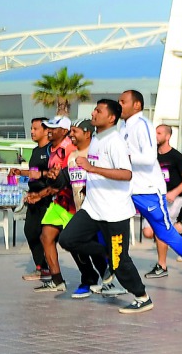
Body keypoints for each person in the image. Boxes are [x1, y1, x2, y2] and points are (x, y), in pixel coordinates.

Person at [59, 100, 154, 313]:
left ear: (111, 118)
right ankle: (109, 255)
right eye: (94, 109)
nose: (93, 113)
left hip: (114, 212)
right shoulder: (97, 140)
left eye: (98, 111)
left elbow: (126, 174)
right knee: (67, 239)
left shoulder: (115, 141)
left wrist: (92, 168)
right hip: (92, 208)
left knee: (120, 263)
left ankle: (142, 297)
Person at [117, 90, 182, 294]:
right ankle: (110, 276)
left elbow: (149, 159)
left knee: (163, 233)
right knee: (109, 222)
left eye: (123, 102)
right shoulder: (122, 127)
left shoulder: (143, 126)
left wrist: (125, 158)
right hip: (129, 190)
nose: (119, 105)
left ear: (137, 105)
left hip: (149, 191)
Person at [61, 120, 116, 298]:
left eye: (74, 131)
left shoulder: (96, 154)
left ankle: (106, 282)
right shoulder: (71, 157)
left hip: (98, 212)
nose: (71, 135)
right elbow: (68, 182)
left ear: (87, 133)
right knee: (76, 246)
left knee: (94, 248)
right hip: (80, 211)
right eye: (70, 132)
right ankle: (89, 279)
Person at [30, 116, 77, 292]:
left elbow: (64, 181)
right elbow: (54, 177)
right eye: (48, 127)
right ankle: (57, 281)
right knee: (46, 236)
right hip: (59, 202)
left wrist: (40, 194)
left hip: (72, 203)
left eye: (53, 128)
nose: (49, 131)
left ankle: (103, 275)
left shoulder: (69, 150)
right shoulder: (52, 149)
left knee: (77, 244)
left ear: (64, 131)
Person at [143, 126, 182, 277]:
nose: (155, 136)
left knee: (160, 230)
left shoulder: (176, 156)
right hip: (154, 198)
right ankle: (180, 228)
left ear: (168, 136)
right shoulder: (152, 156)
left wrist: (174, 192)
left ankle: (162, 266)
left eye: (159, 133)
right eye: (154, 133)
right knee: (147, 232)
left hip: (173, 199)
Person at [13, 117, 51, 282]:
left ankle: (50, 268)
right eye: (31, 128)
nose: (32, 132)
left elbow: (53, 175)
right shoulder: (35, 151)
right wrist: (21, 173)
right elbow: (34, 172)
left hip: (48, 198)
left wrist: (42, 193)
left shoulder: (51, 150)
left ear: (45, 130)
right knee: (30, 231)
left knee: (47, 235)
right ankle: (41, 267)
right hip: (32, 197)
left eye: (35, 129)